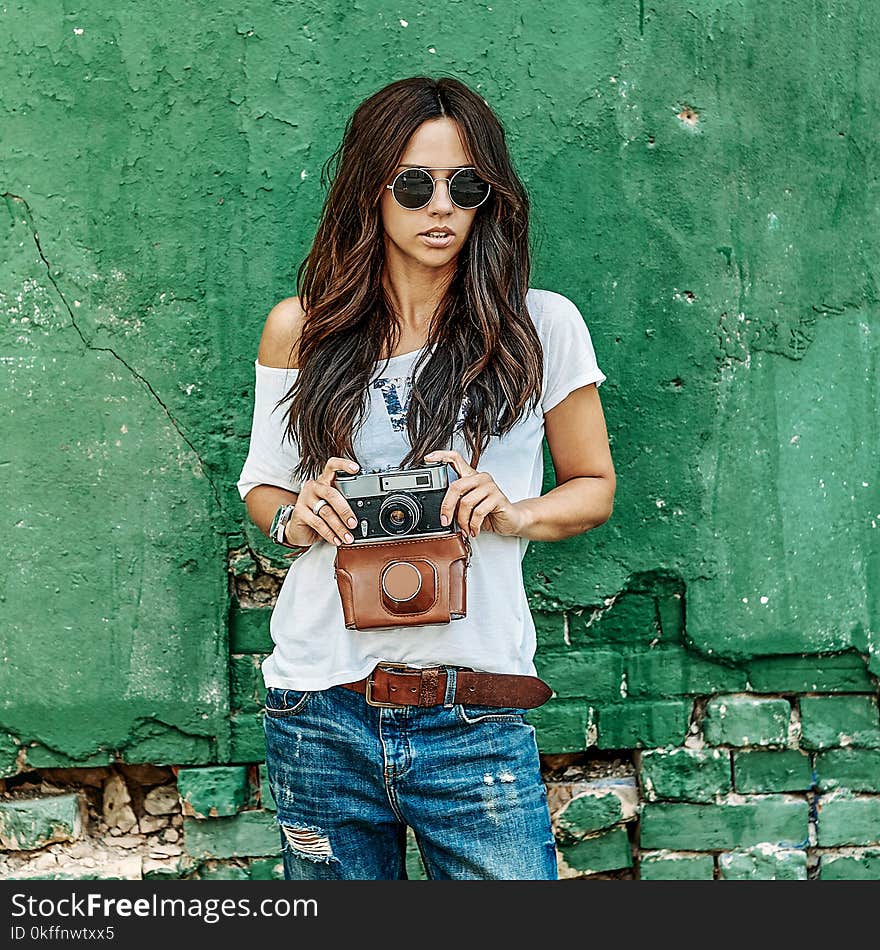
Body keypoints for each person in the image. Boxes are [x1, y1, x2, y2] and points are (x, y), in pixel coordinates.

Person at [235, 75, 615, 880]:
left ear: (491, 197)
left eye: (464, 185)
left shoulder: (541, 326)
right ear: (371, 191)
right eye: (415, 185)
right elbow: (261, 488)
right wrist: (295, 518)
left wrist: (510, 511)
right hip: (320, 704)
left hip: (475, 704)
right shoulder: (300, 328)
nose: (440, 207)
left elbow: (594, 485)